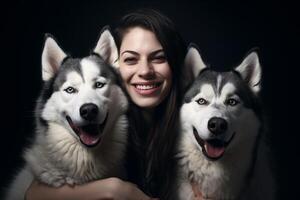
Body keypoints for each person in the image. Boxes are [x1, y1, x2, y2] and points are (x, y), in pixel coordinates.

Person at [25, 8, 187, 200]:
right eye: (131, 59)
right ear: (116, 63)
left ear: (174, 63)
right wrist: (115, 190)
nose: (145, 71)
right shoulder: (111, 132)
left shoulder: (197, 125)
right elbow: (34, 194)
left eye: (159, 57)